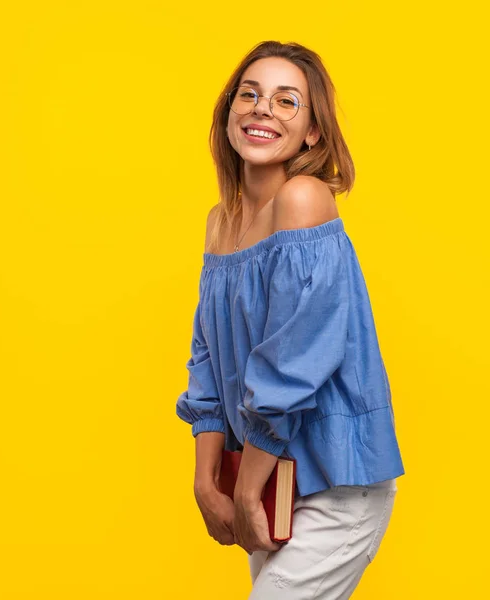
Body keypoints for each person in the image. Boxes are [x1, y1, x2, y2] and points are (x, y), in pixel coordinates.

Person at [175, 41, 406, 599]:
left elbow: (291, 368)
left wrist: (247, 492)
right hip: (274, 479)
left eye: (286, 101)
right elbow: (206, 361)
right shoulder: (220, 222)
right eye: (249, 94)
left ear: (313, 133)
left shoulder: (303, 199)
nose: (262, 109)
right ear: (228, 110)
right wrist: (207, 483)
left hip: (333, 480)